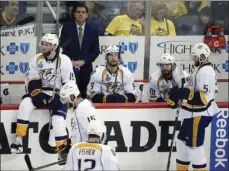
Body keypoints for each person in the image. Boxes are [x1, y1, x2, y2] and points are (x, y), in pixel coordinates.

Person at [10, 33, 75, 155]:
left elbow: (70, 83)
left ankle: (63, 150)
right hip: (41, 91)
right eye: (43, 44)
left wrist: (64, 97)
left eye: (47, 44)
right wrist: (38, 95)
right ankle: (19, 140)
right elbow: (32, 79)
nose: (44, 47)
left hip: (59, 93)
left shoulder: (64, 60)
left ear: (54, 46)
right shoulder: (36, 59)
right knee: (25, 104)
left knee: (58, 120)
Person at [167, 43, 220, 171]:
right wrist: (179, 95)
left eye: (195, 57)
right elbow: (191, 90)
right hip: (191, 114)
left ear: (202, 57)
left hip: (199, 115)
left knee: (195, 148)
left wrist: (183, 95)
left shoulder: (206, 72)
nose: (193, 59)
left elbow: (203, 99)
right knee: (181, 143)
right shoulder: (199, 69)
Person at [60, 4, 100, 98]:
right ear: (74, 14)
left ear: (87, 15)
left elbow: (96, 51)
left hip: (86, 67)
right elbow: (62, 48)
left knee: (85, 93)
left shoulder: (93, 29)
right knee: (71, 93)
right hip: (70, 67)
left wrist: (83, 61)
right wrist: (70, 61)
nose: (80, 14)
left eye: (83, 12)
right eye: (78, 12)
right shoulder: (66, 27)